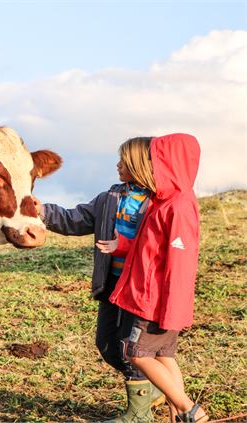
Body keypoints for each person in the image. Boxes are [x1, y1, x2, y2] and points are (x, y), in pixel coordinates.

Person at [36, 136, 165, 422]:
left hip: (140, 289)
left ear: (139, 164)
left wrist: (125, 246)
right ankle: (156, 386)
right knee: (107, 345)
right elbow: (77, 218)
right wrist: (42, 211)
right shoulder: (110, 198)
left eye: (123, 160)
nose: (118, 165)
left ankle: (138, 414)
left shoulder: (160, 202)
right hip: (111, 285)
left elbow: (159, 246)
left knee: (131, 348)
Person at [96, 133, 208, 423]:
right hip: (147, 295)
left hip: (155, 301)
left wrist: (170, 308)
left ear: (169, 164)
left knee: (135, 353)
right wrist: (119, 246)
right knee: (163, 356)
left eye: (153, 160)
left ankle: (188, 409)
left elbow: (179, 264)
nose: (150, 165)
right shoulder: (162, 201)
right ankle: (177, 414)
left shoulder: (178, 207)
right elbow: (149, 246)